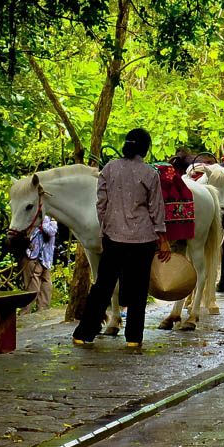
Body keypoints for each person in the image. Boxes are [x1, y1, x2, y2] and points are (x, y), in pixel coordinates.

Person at [72, 128, 171, 347]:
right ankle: (134, 338)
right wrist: (163, 239)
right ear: (145, 148)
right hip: (143, 239)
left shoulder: (109, 169)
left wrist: (103, 232)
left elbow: (101, 205)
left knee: (103, 286)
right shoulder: (150, 173)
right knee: (138, 288)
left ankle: (84, 333)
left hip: (113, 237)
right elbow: (156, 208)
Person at [20, 214, 57, 316]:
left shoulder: (51, 220)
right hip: (32, 257)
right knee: (32, 287)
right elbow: (48, 230)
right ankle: (25, 314)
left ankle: (43, 313)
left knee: (46, 285)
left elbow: (50, 231)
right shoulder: (31, 220)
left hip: (46, 258)